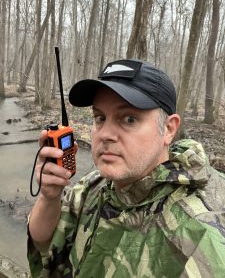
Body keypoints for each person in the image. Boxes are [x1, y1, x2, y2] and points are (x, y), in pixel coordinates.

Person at [27, 59, 225, 278]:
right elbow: (46, 243)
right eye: (100, 117)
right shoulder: (95, 186)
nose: (105, 134)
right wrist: (49, 197)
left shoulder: (200, 235)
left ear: (168, 129)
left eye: (129, 119)